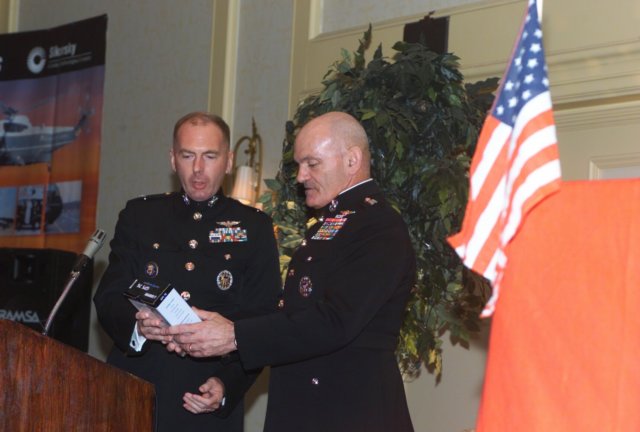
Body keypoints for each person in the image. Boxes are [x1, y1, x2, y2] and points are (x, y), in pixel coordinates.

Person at [163, 111, 416, 432]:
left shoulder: (378, 227)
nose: (301, 176)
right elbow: (291, 315)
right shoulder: (335, 223)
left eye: (312, 163)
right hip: (310, 408)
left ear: (352, 160)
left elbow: (336, 321)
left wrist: (235, 336)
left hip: (351, 411)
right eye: (299, 164)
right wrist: (227, 363)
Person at [93, 112, 281, 432]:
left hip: (204, 397)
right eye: (187, 155)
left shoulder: (254, 227)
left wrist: (227, 384)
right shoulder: (140, 216)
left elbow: (262, 321)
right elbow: (109, 296)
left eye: (210, 156)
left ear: (229, 161)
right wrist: (138, 327)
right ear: (173, 159)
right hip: (134, 389)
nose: (198, 168)